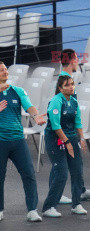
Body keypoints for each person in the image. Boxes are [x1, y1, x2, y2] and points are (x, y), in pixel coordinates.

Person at [0, 61, 46, 222]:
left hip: (18, 141)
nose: (5, 72)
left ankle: (32, 210)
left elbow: (30, 107)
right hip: (0, 142)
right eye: (1, 70)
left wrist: (36, 116)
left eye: (5, 69)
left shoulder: (18, 91)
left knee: (29, 173)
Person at [57, 48, 90, 205]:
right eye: (77, 59)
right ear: (73, 60)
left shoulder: (64, 78)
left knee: (75, 162)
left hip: (67, 129)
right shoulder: (66, 81)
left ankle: (80, 190)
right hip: (65, 130)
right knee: (62, 164)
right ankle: (58, 194)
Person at [42, 76, 87, 217]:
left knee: (77, 171)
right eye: (67, 85)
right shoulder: (56, 101)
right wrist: (67, 143)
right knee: (61, 172)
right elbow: (55, 126)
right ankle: (49, 207)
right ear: (60, 88)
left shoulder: (74, 102)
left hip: (71, 137)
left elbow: (78, 122)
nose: (71, 87)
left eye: (72, 84)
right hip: (56, 140)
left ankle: (76, 204)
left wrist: (82, 138)